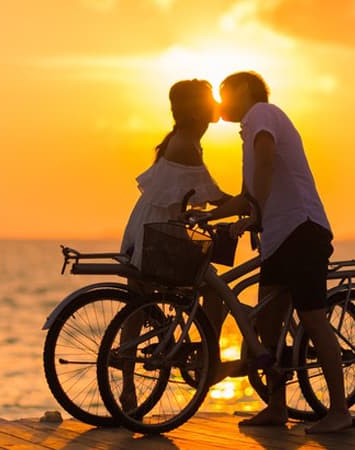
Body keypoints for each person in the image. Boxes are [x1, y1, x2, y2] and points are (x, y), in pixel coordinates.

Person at [197, 71, 352, 433]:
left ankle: (340, 410)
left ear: (245, 90)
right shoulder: (249, 131)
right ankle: (277, 407)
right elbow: (246, 194)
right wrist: (208, 214)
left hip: (301, 229)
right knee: (269, 324)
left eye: (224, 92)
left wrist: (255, 211)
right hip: (278, 238)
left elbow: (266, 163)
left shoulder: (262, 114)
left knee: (312, 317)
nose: (221, 102)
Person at [119, 79, 230, 410]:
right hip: (160, 235)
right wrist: (251, 203)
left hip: (150, 230)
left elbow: (197, 195)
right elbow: (213, 194)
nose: (217, 103)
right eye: (211, 99)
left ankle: (127, 389)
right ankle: (208, 357)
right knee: (215, 292)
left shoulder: (185, 140)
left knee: (137, 303)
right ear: (197, 108)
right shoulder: (185, 145)